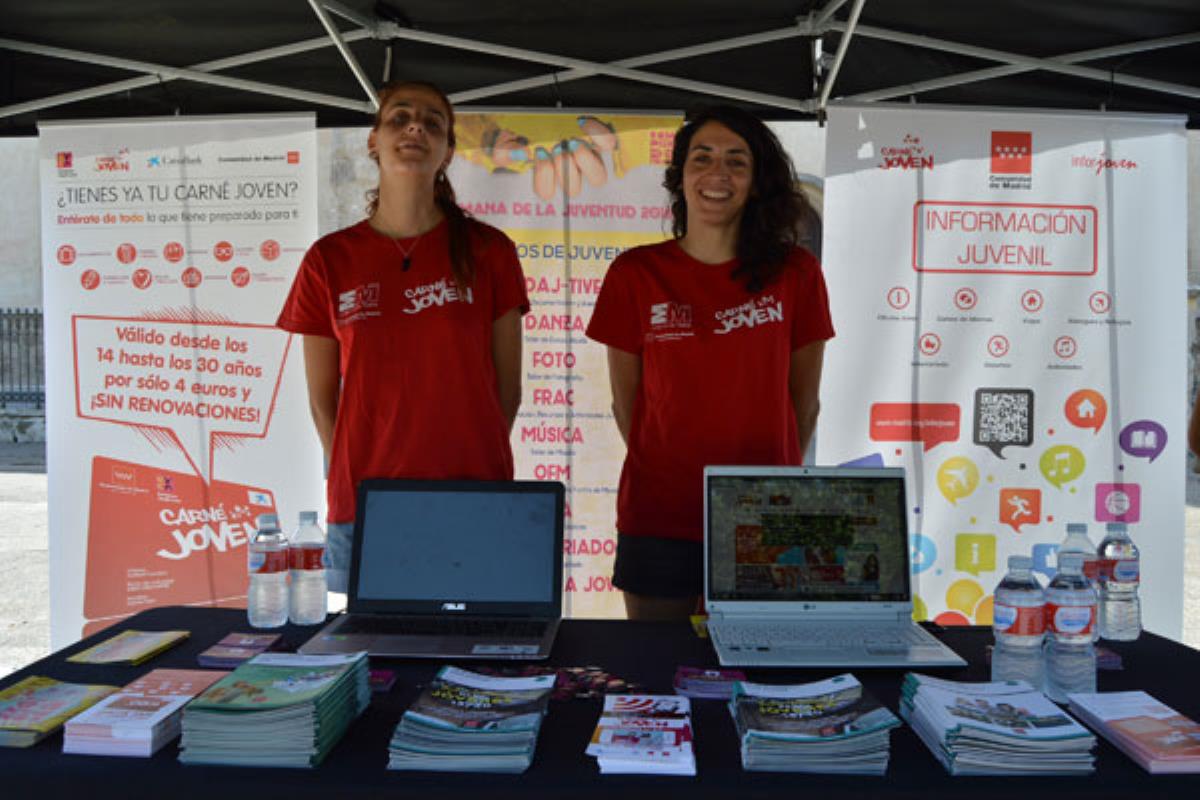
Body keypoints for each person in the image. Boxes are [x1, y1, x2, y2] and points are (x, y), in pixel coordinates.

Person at [276, 80, 529, 592]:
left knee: (477, 657)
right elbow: (324, 400)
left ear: (448, 151)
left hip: (474, 497)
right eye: (400, 117)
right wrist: (366, 468)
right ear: (373, 141)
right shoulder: (329, 260)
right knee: (384, 664)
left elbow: (508, 388)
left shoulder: (489, 251)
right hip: (368, 503)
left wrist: (466, 454)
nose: (416, 126)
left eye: (433, 122)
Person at [586, 106, 835, 621]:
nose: (717, 173)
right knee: (655, 676)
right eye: (703, 157)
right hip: (659, 513)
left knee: (762, 682)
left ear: (756, 180)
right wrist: (671, 469)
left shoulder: (797, 274)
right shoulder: (636, 274)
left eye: (736, 161)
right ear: (681, 176)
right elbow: (626, 403)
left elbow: (802, 405)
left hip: (767, 514)